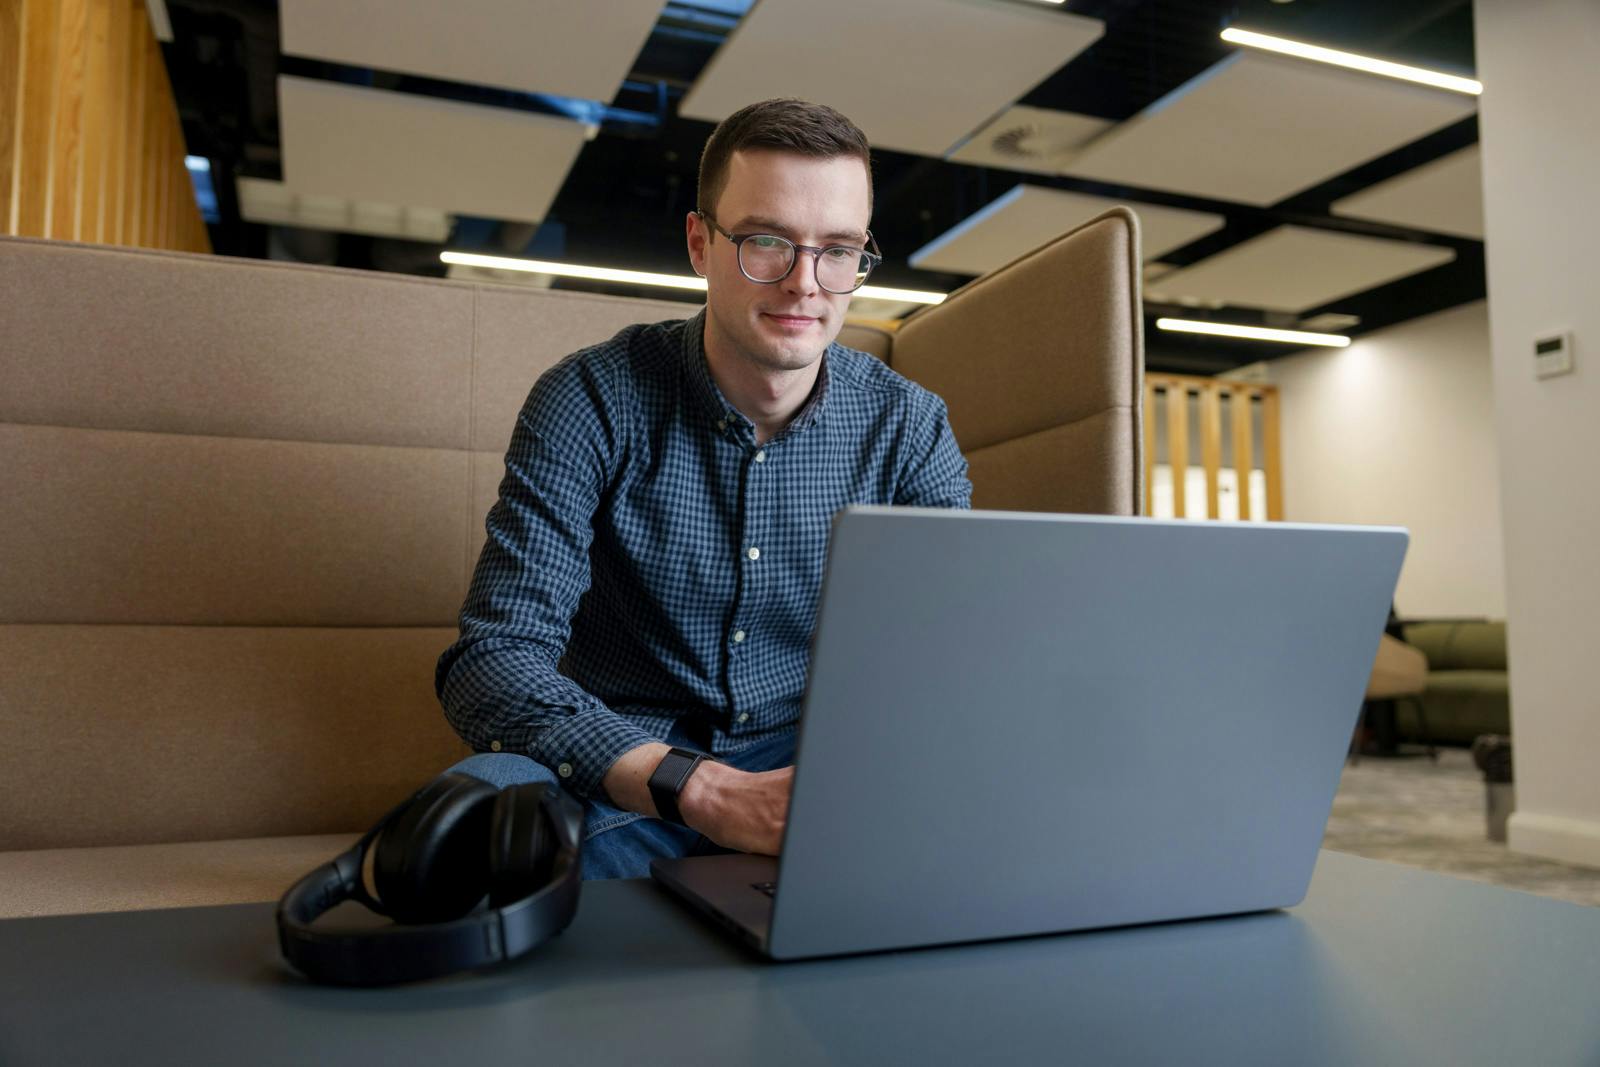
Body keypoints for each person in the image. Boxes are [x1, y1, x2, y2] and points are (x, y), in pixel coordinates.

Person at [434, 98, 971, 879]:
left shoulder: (909, 427)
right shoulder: (590, 398)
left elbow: (947, 657)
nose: (805, 284)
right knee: (479, 821)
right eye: (766, 242)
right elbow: (493, 661)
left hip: (810, 768)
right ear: (700, 243)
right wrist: (705, 789)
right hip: (623, 767)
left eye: (839, 251)